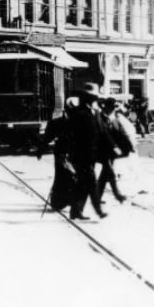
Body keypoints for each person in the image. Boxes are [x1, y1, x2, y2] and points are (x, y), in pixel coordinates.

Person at [66, 82, 112, 220]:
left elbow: (101, 132)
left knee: (82, 184)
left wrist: (110, 147)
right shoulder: (78, 113)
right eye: (92, 97)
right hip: (81, 155)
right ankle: (98, 211)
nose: (94, 100)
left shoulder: (94, 113)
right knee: (91, 184)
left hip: (91, 154)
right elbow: (72, 135)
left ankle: (75, 211)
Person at [39, 97, 77, 211]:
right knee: (62, 177)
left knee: (71, 177)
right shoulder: (57, 122)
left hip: (73, 153)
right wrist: (40, 150)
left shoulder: (78, 122)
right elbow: (47, 138)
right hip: (61, 153)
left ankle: (67, 200)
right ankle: (58, 202)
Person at [96, 98, 129, 204]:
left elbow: (121, 132)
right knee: (110, 173)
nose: (113, 110)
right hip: (102, 150)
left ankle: (97, 197)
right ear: (106, 107)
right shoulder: (99, 118)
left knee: (104, 175)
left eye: (114, 108)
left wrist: (129, 145)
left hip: (111, 152)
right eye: (111, 107)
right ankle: (117, 195)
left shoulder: (114, 118)